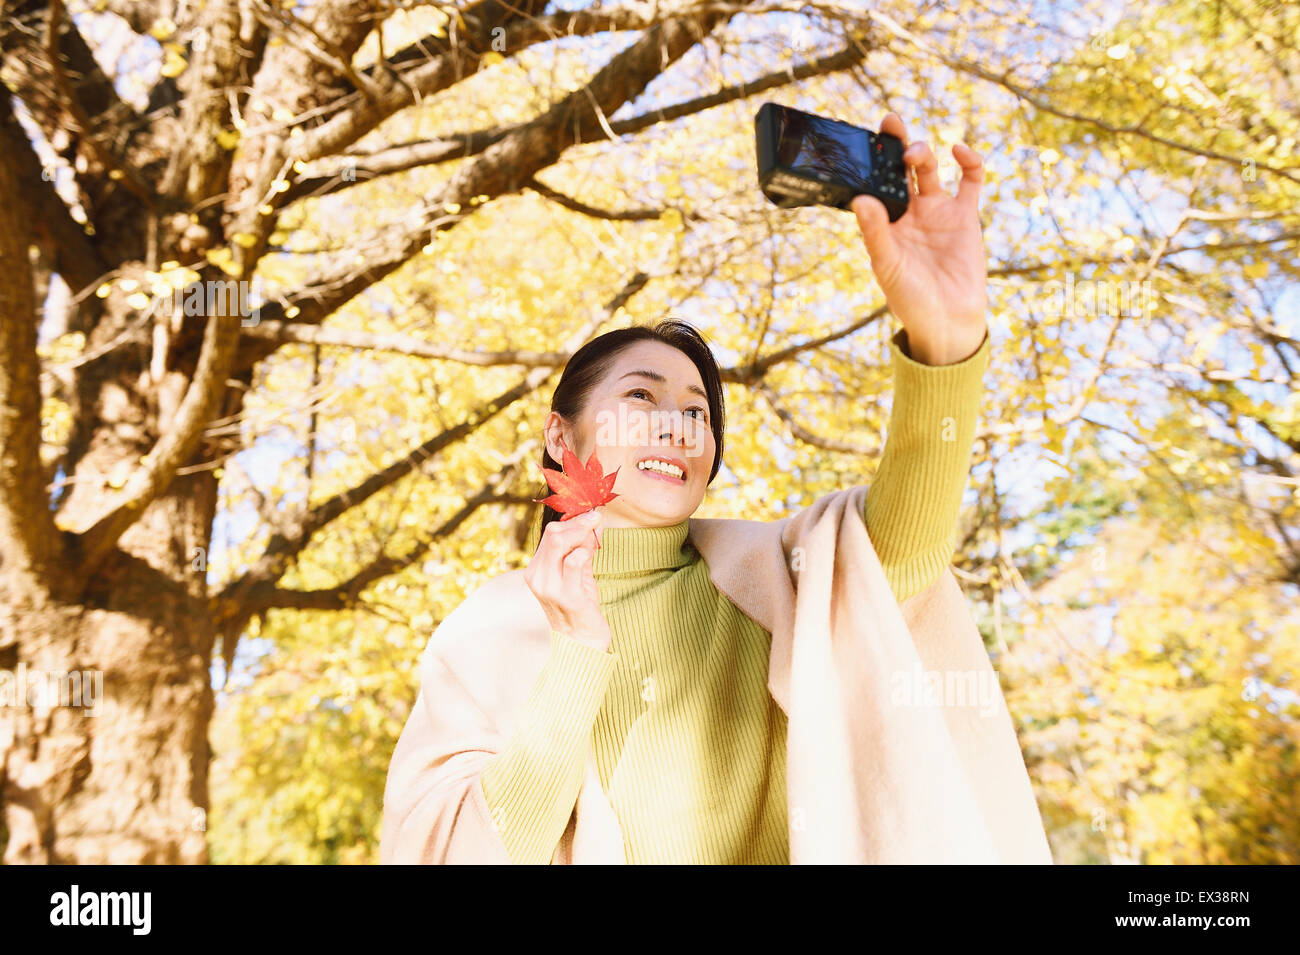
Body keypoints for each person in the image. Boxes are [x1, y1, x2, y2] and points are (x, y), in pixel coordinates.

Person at [382, 114, 1004, 864]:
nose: (675, 425)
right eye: (642, 397)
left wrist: (946, 336)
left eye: (695, 411)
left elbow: (900, 552)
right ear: (559, 436)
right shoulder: (486, 632)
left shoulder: (773, 579)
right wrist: (578, 650)